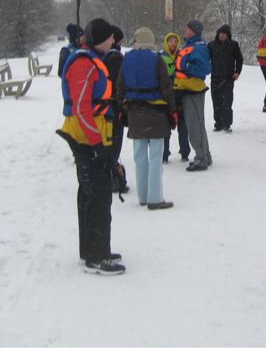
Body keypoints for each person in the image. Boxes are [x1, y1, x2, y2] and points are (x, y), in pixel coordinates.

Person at [56, 18, 124, 275]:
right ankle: (97, 256)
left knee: (89, 192)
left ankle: (91, 249)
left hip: (90, 135)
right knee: (98, 194)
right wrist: (97, 144)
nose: (113, 42)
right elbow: (82, 107)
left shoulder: (90, 59)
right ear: (100, 40)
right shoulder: (84, 63)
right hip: (86, 138)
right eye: (109, 39)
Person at [116, 27, 176, 210]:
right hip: (156, 112)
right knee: (156, 156)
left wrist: (121, 108)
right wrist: (172, 111)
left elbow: (120, 86)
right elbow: (166, 87)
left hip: (134, 112)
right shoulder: (157, 60)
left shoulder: (127, 59)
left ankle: (142, 195)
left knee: (139, 156)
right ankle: (155, 198)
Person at [174, 19, 212, 172]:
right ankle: (204, 155)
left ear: (194, 31)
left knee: (195, 125)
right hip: (187, 89)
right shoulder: (191, 46)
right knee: (195, 124)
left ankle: (201, 158)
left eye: (187, 28)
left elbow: (204, 68)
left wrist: (186, 69)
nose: (185, 30)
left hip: (193, 90)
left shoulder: (198, 47)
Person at [102, 25, 129, 194]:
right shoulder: (115, 58)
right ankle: (113, 177)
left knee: (107, 141)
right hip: (112, 105)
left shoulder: (103, 56)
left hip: (104, 104)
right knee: (114, 141)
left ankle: (109, 175)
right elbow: (118, 83)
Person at [159, 32, 190, 163]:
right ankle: (164, 154)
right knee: (165, 125)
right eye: (171, 41)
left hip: (180, 93)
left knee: (183, 125)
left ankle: (185, 152)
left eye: (175, 41)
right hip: (165, 95)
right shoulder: (160, 57)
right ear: (166, 42)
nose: (173, 43)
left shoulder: (182, 56)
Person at [208, 24, 243, 132]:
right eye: (220, 33)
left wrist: (237, 72)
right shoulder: (211, 45)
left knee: (227, 102)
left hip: (228, 78)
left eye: (224, 33)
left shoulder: (233, 45)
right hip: (215, 78)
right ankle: (218, 124)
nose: (222, 35)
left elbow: (239, 59)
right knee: (216, 102)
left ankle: (227, 124)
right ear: (218, 34)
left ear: (228, 35)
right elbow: (205, 59)